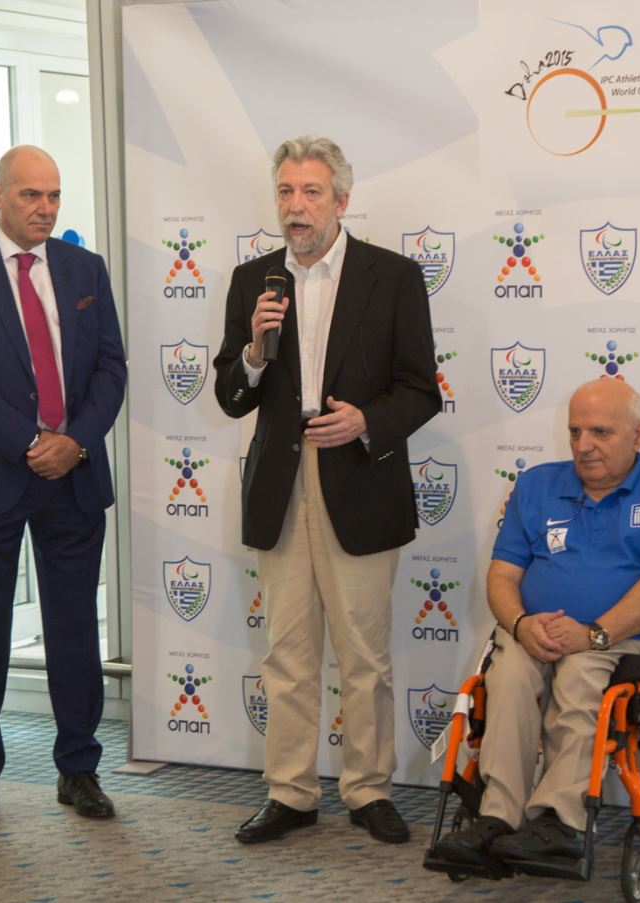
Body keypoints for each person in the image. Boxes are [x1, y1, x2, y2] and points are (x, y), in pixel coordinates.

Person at [213, 136, 440, 845]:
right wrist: (254, 354)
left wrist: (366, 420)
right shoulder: (252, 280)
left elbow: (421, 389)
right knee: (287, 653)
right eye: (285, 191)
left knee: (363, 655)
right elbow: (230, 394)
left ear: (341, 200)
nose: (296, 206)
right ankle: (290, 792)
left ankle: (368, 789)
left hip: (359, 478)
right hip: (280, 485)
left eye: (310, 192)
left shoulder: (391, 276)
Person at [0, 145, 128, 829]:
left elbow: (111, 367)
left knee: (74, 629)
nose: (45, 208)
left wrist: (75, 441)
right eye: (31, 195)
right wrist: (29, 442)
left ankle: (79, 770)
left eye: (54, 196)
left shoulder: (84, 268)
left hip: (74, 473)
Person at [434, 378, 640, 866]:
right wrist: (520, 624)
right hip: (535, 631)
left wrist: (594, 634)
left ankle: (560, 821)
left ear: (638, 435)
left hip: (621, 639)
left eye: (600, 432)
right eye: (575, 431)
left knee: (582, 674)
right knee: (508, 676)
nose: (584, 445)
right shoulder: (536, 484)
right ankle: (497, 817)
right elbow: (502, 575)